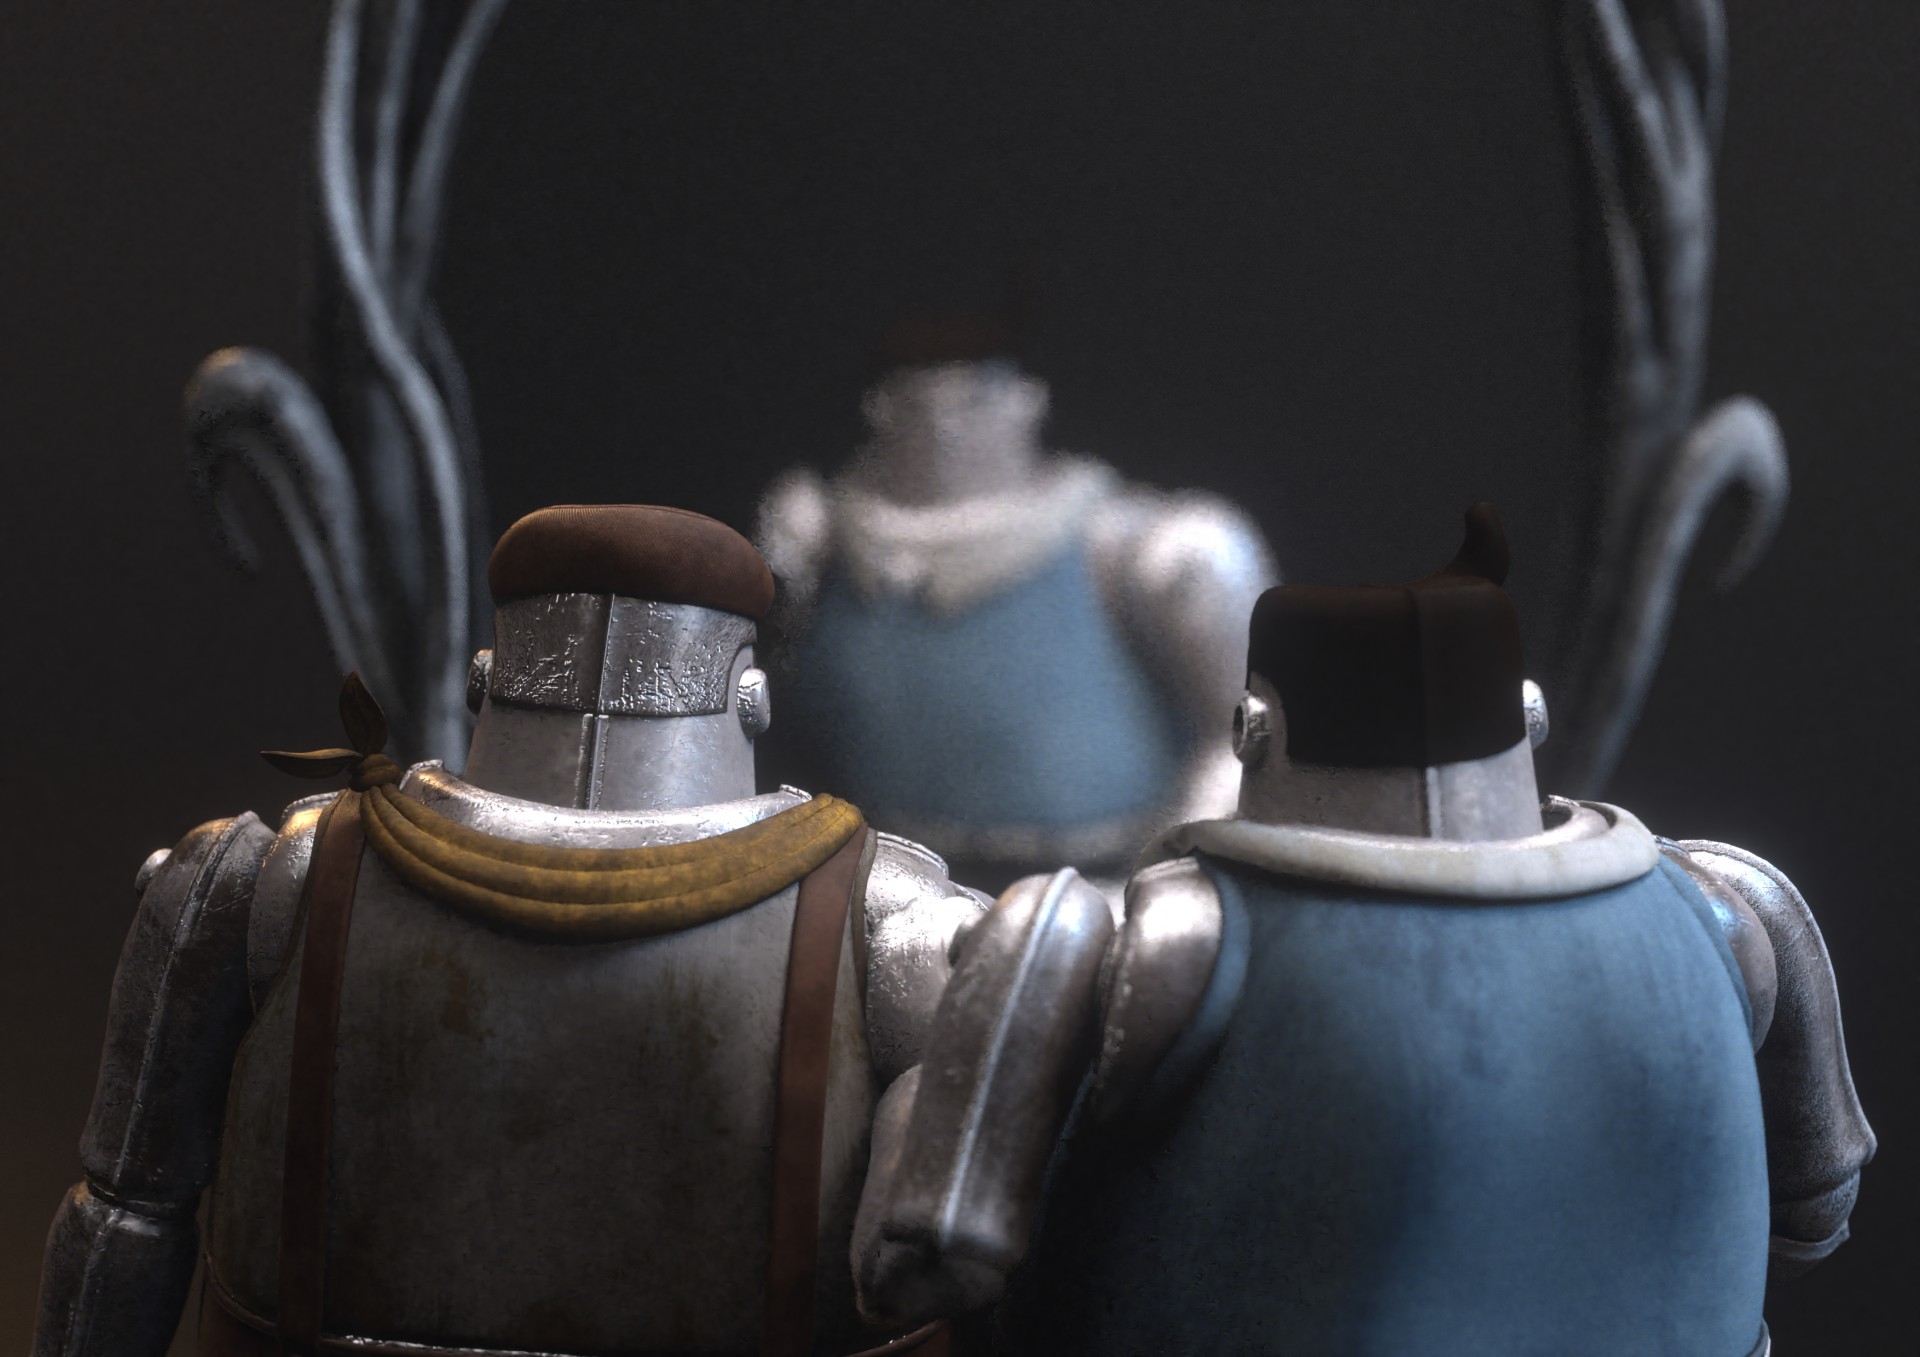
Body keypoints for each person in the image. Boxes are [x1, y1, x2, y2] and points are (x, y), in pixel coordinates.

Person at [855, 504, 1874, 1357]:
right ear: (1527, 717)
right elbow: (1817, 1217)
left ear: (1254, 728)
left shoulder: (1166, 950)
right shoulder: (1729, 911)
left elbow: (929, 1264)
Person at [33, 505, 982, 1357]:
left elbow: (123, 1217)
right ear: (750, 695)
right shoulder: (897, 917)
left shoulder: (264, 878)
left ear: (488, 674)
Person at [757, 308, 1275, 903]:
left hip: (1105, 888)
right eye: (922, 401)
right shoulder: (815, 537)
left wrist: (1158, 885)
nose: (945, 425)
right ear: (882, 406)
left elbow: (1245, 738)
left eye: (973, 399)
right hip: (883, 888)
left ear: (1027, 399)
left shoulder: (1143, 545)